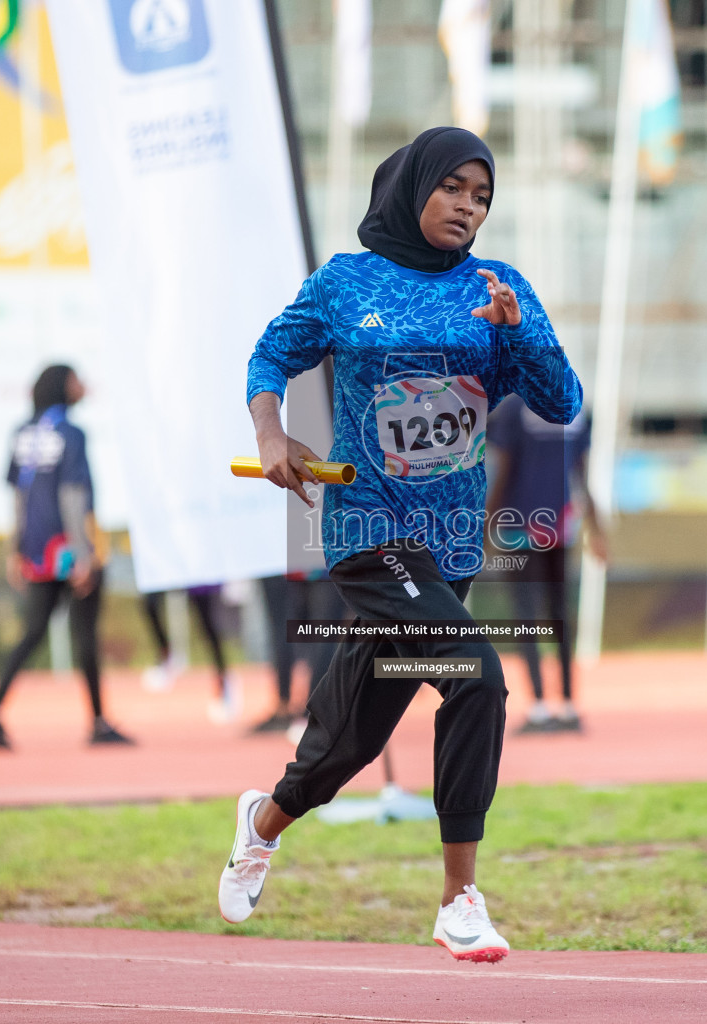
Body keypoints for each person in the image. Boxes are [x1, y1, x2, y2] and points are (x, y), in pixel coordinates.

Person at [218, 127, 582, 963]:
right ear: (413, 184)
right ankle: (459, 899)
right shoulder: (348, 282)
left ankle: (262, 823)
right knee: (476, 676)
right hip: (366, 529)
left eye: (482, 196)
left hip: (448, 546)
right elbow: (272, 353)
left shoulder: (498, 287)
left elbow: (562, 403)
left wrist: (517, 332)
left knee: (351, 734)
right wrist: (273, 434)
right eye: (453, 186)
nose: (468, 206)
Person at [0, 365, 133, 750]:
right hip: (69, 548)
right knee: (85, 635)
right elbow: (73, 495)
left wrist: (15, 550)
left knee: (32, 632)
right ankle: (98, 722)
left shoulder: (21, 433)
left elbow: (19, 497)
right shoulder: (72, 434)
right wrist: (82, 555)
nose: (83, 386)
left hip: (37, 550)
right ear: (63, 386)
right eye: (77, 379)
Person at [485, 394, 607, 733]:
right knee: (559, 615)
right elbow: (581, 472)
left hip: (518, 524)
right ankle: (568, 706)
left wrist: (485, 527)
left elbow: (503, 468)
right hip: (559, 524)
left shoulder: (514, 408)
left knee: (527, 617)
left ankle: (539, 707)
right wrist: (598, 529)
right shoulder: (576, 407)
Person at [255, 571, 344, 735]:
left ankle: (312, 712)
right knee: (319, 634)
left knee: (322, 634)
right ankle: (311, 711)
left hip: (325, 560)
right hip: (317, 560)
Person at [140, 583, 242, 723]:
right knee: (149, 601)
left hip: (194, 570)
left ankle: (223, 679)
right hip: (171, 565)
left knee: (206, 622)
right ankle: (166, 654)